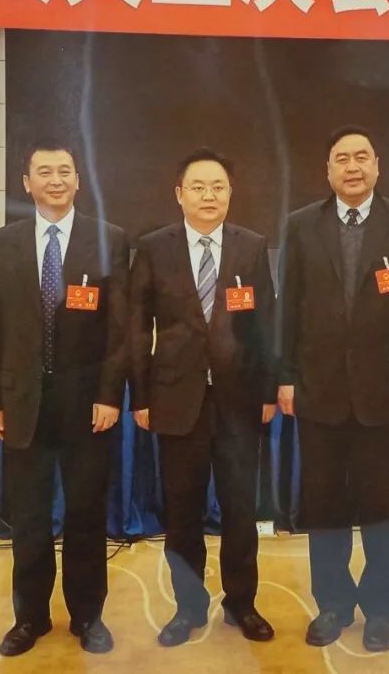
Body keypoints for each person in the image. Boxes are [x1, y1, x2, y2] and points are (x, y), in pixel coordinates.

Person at [277, 125, 389, 652]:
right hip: (318, 392)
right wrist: (285, 376)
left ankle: (382, 609)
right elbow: (287, 307)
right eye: (341, 158)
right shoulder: (301, 225)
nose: (352, 166)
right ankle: (334, 604)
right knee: (325, 506)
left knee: (387, 505)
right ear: (327, 170)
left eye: (361, 156)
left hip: (387, 396)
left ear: (377, 166)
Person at [0, 138, 129, 656]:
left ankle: (88, 616)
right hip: (22, 404)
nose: (56, 180)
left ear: (78, 180)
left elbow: (119, 331)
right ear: (27, 183)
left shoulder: (109, 240)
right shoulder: (0, 244)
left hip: (87, 406)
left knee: (86, 516)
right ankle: (30, 618)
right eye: (44, 171)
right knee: (29, 519)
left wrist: (110, 394)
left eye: (64, 171)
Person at [129, 148, 278, 647]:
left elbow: (265, 323)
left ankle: (242, 604)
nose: (208, 195)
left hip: (239, 402)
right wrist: (140, 396)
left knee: (240, 511)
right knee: (182, 514)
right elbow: (137, 328)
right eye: (198, 187)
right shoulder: (154, 248)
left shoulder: (251, 246)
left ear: (230, 193)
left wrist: (268, 390)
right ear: (179, 194)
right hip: (176, 401)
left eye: (218, 186)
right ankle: (188, 608)